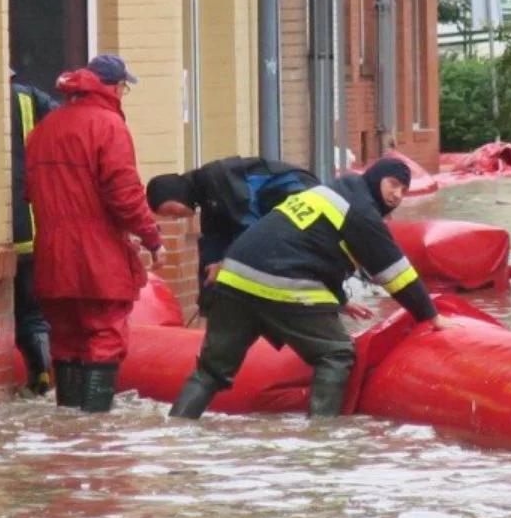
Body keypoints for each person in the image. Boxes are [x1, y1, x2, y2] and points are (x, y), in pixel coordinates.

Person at [168, 158, 456, 419]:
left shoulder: (331, 191)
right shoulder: (361, 213)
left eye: (404, 191)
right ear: (375, 178)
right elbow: (396, 274)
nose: (397, 195)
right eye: (393, 184)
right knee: (337, 353)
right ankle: (321, 439)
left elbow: (307, 247)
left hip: (234, 278)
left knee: (211, 371)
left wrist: (338, 300)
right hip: (277, 282)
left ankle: (177, 429)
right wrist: (431, 315)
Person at [25, 54, 164, 413]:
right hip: (98, 255)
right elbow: (125, 194)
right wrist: (152, 238)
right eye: (123, 87)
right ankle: (96, 430)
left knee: (67, 338)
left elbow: (29, 189)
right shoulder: (109, 126)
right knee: (105, 334)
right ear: (112, 87)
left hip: (52, 254)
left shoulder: (46, 127)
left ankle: (70, 426)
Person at [146, 157, 319, 288]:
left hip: (300, 195)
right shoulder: (208, 199)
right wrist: (208, 301)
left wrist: (225, 265)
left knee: (265, 257)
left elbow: (250, 230)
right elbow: (212, 244)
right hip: (275, 211)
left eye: (170, 210)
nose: (175, 217)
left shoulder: (218, 179)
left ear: (176, 193)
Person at [10, 70, 59, 395]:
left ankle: (38, 376)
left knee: (22, 308)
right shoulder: (29, 97)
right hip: (29, 220)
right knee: (32, 309)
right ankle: (42, 375)